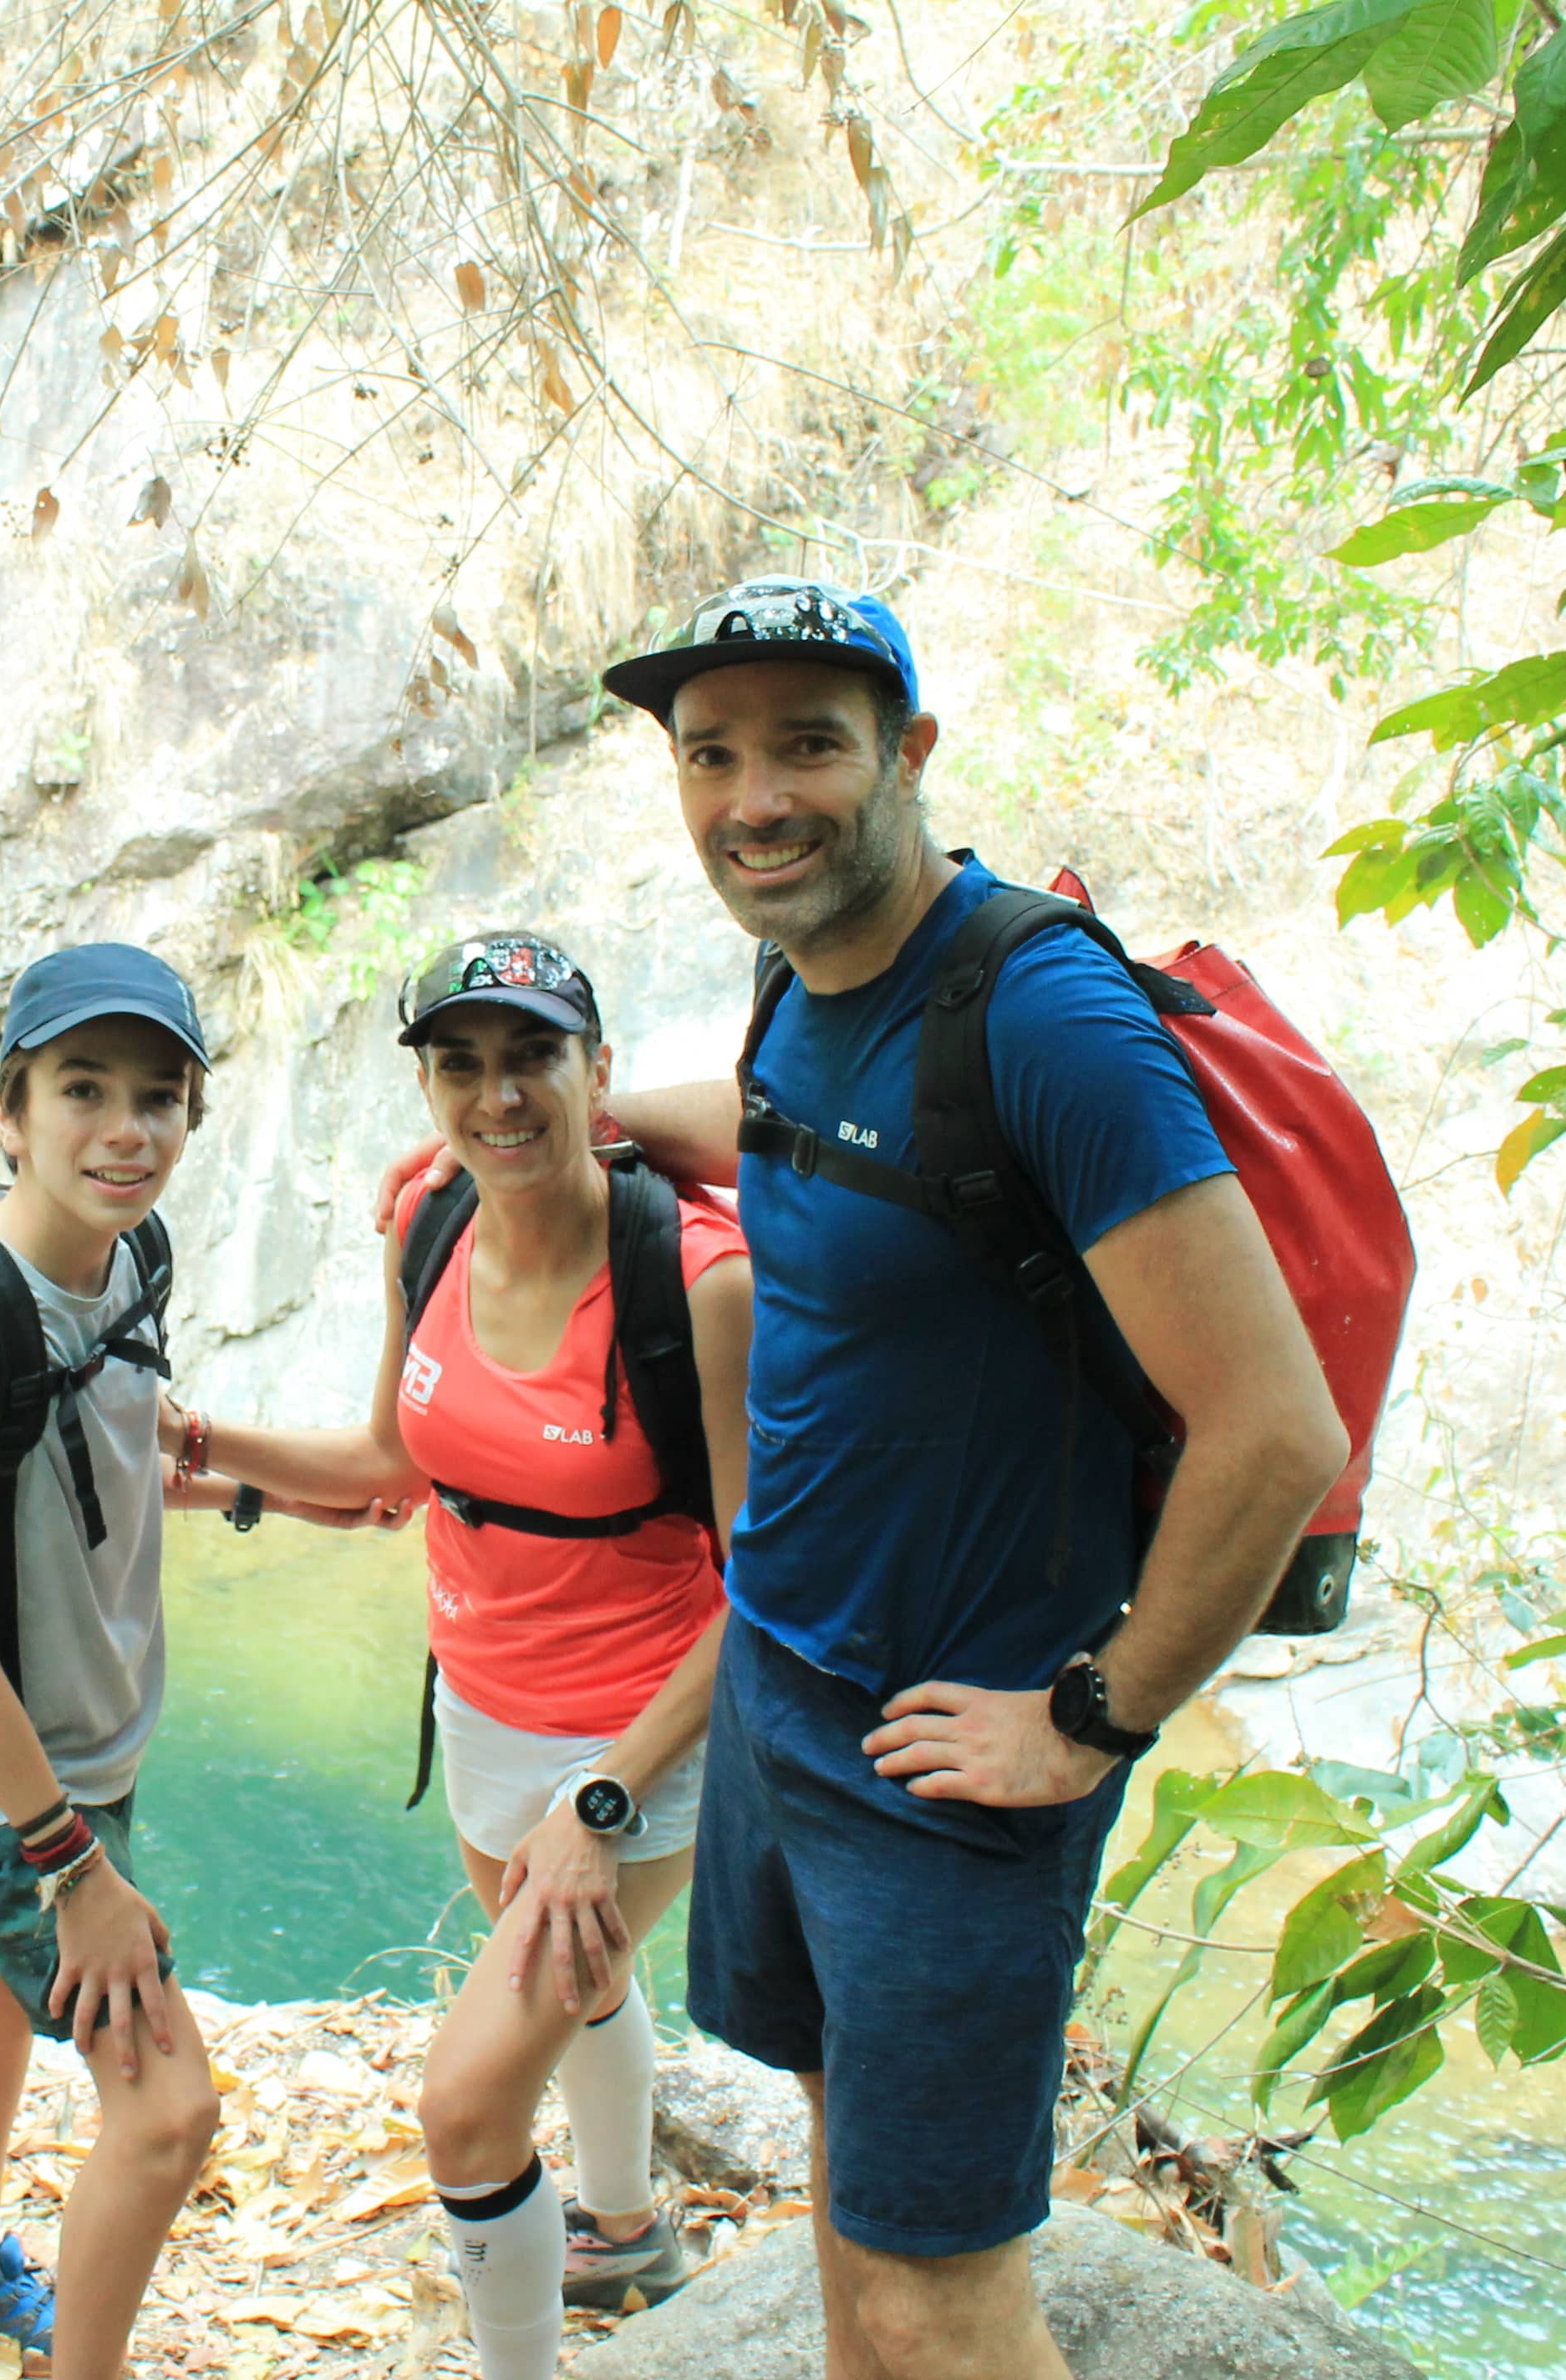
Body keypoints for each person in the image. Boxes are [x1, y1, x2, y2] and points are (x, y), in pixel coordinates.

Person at [390, 579, 1345, 2380]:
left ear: (909, 752)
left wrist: (1093, 1709)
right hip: (791, 1694)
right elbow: (789, 1130)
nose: (757, 796)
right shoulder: (803, 973)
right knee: (848, 2190)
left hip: (956, 1756)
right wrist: (558, 1124)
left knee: (935, 2293)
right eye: (714, 753)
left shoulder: (1040, 1017)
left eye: (809, 744)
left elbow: (1278, 1429)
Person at [166, 928, 752, 2380]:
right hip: (482, 1706)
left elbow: (774, 1602)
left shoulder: (694, 1283)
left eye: (533, 1058)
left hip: (639, 1742)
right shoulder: (428, 1225)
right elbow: (390, 1461)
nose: (499, 1097)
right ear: (430, 1087)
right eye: (463, 1064)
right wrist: (198, 1446)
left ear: (599, 1074)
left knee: (469, 2111)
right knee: (585, 1984)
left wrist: (600, 1807)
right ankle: (625, 2229)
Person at [0, 943, 231, 2380]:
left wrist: (267, 1478)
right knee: (165, 2115)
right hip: (7, 1784)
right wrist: (73, 1873)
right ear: (9, 1110)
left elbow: (114, 1430)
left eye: (159, 1096)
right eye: (83, 1090)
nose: (126, 1130)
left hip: (80, 1744)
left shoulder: (126, 1249)